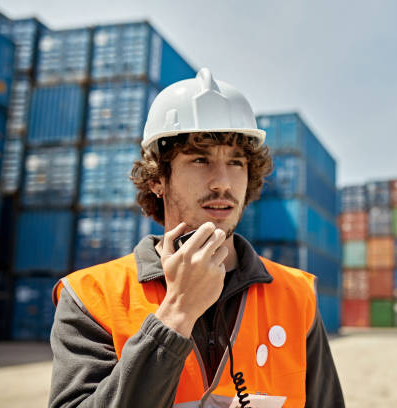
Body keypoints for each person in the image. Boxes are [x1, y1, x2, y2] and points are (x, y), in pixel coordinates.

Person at [49, 68, 345, 408]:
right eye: (200, 159)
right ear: (157, 180)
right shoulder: (91, 297)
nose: (222, 182)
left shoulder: (296, 296)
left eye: (236, 163)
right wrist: (176, 314)